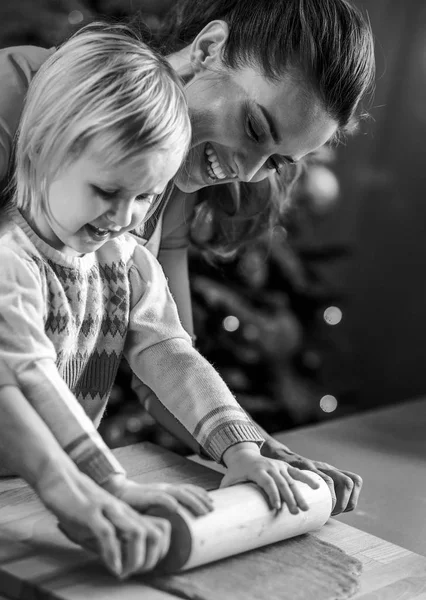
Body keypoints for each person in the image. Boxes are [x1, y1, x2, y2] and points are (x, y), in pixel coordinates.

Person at [0, 0, 375, 516]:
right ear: (207, 48)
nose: (247, 174)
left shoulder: (162, 193)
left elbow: (165, 352)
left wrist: (253, 448)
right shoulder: (13, 93)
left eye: (279, 160)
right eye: (254, 128)